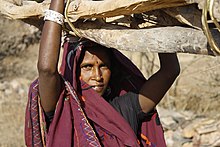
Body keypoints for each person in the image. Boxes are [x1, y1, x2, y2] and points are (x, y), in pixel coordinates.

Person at [25, 0, 180, 146]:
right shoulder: (63, 108)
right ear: (73, 69)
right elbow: (46, 69)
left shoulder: (123, 109)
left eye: (104, 66)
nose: (97, 76)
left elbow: (169, 71)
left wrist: (158, 15)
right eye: (87, 67)